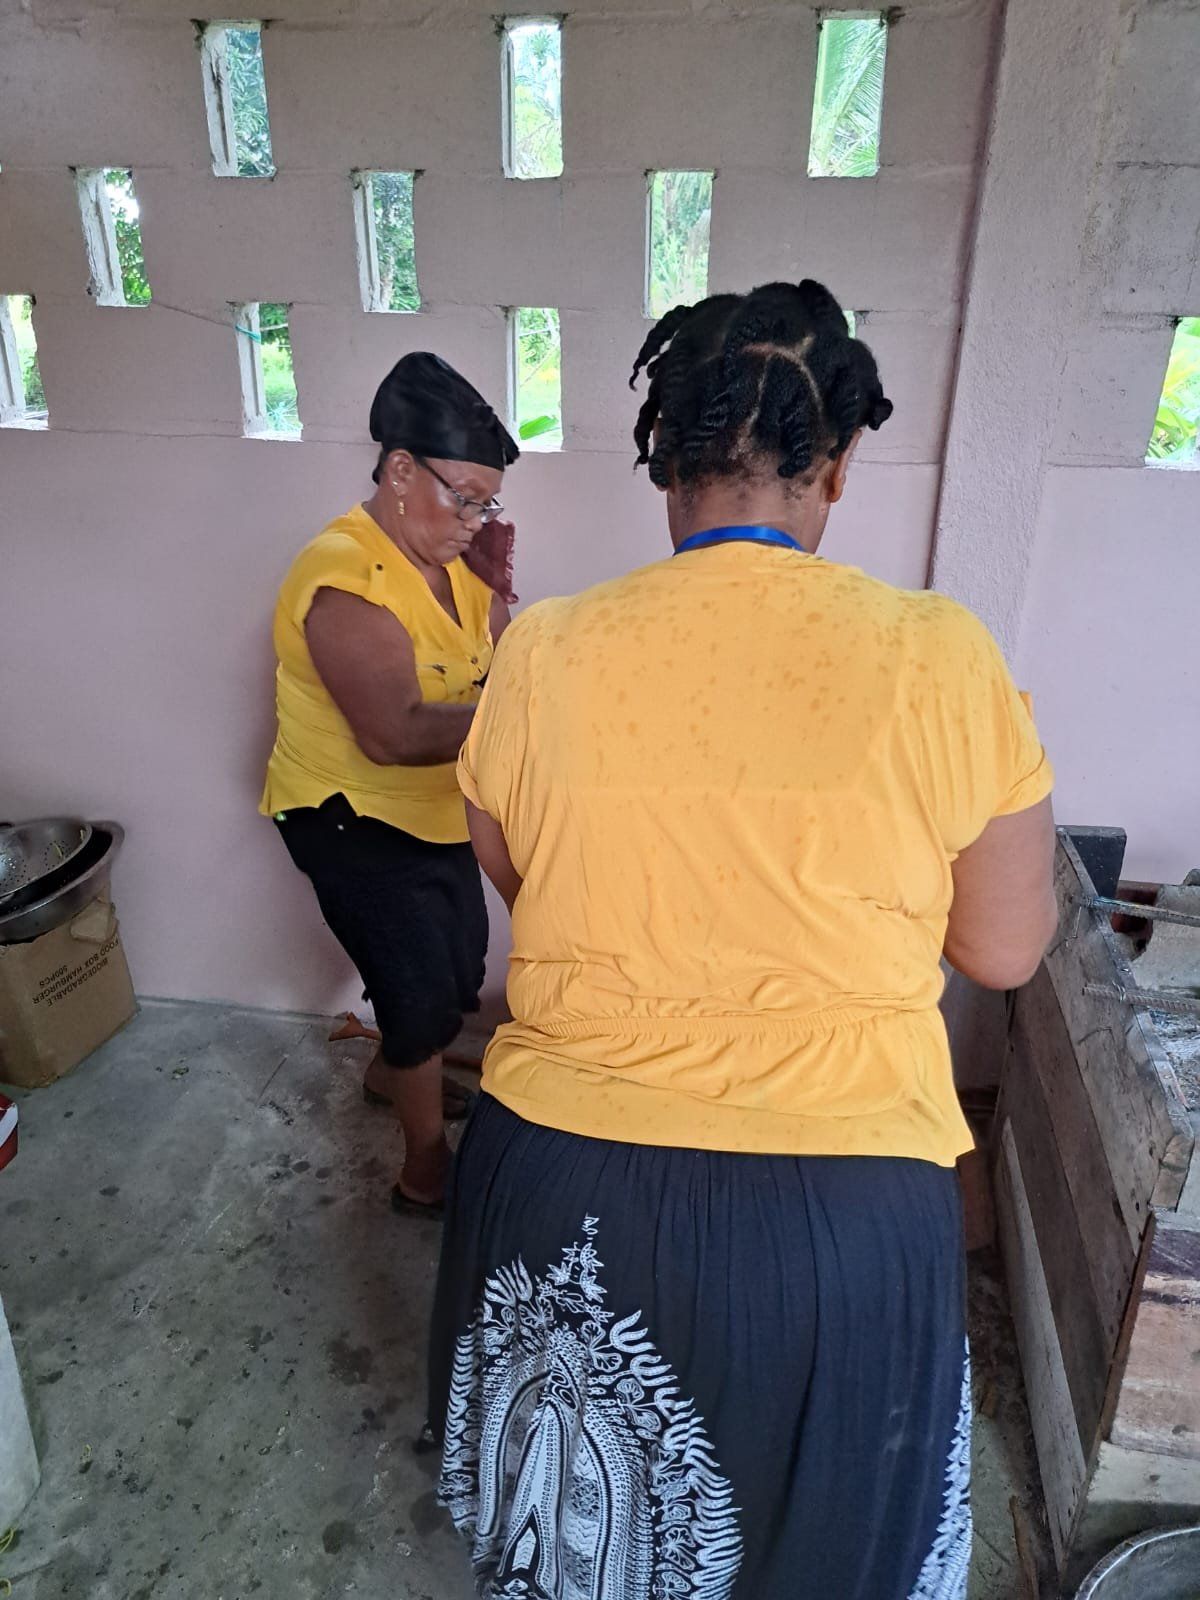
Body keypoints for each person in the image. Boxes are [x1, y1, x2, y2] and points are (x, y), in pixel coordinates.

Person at [426, 281, 1058, 1599]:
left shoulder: (542, 652)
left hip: (562, 1185)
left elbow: (524, 878)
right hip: (842, 1215)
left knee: (583, 1557)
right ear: (839, 462)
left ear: (666, 461)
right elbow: (1005, 951)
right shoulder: (940, 654)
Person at [262, 353, 518, 1214]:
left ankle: (389, 1072)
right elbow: (395, 732)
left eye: (488, 504)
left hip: (435, 812)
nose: (475, 521)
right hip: (348, 817)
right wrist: (532, 716)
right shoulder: (345, 578)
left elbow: (485, 668)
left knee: (459, 970)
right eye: (465, 498)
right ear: (401, 471)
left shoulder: (458, 562)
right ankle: (423, 1172)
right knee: (416, 994)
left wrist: (500, 592)